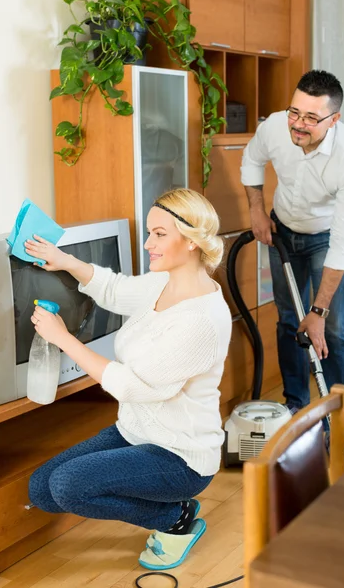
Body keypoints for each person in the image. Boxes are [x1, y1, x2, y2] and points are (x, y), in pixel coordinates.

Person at [25, 188, 232, 570]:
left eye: (159, 234)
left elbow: (133, 386)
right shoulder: (163, 282)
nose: (148, 243)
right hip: (135, 432)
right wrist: (64, 260)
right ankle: (167, 509)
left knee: (69, 486)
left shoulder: (201, 321)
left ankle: (176, 517)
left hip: (179, 456)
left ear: (190, 242)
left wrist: (63, 339)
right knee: (42, 490)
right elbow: (115, 290)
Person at [241, 70, 344, 462]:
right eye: (294, 112)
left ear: (334, 120)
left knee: (333, 330)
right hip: (281, 231)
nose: (299, 124)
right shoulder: (276, 130)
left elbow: (342, 246)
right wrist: (256, 211)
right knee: (287, 321)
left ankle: (339, 433)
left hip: (325, 240)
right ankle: (295, 409)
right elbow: (251, 160)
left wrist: (317, 310)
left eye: (311, 118)